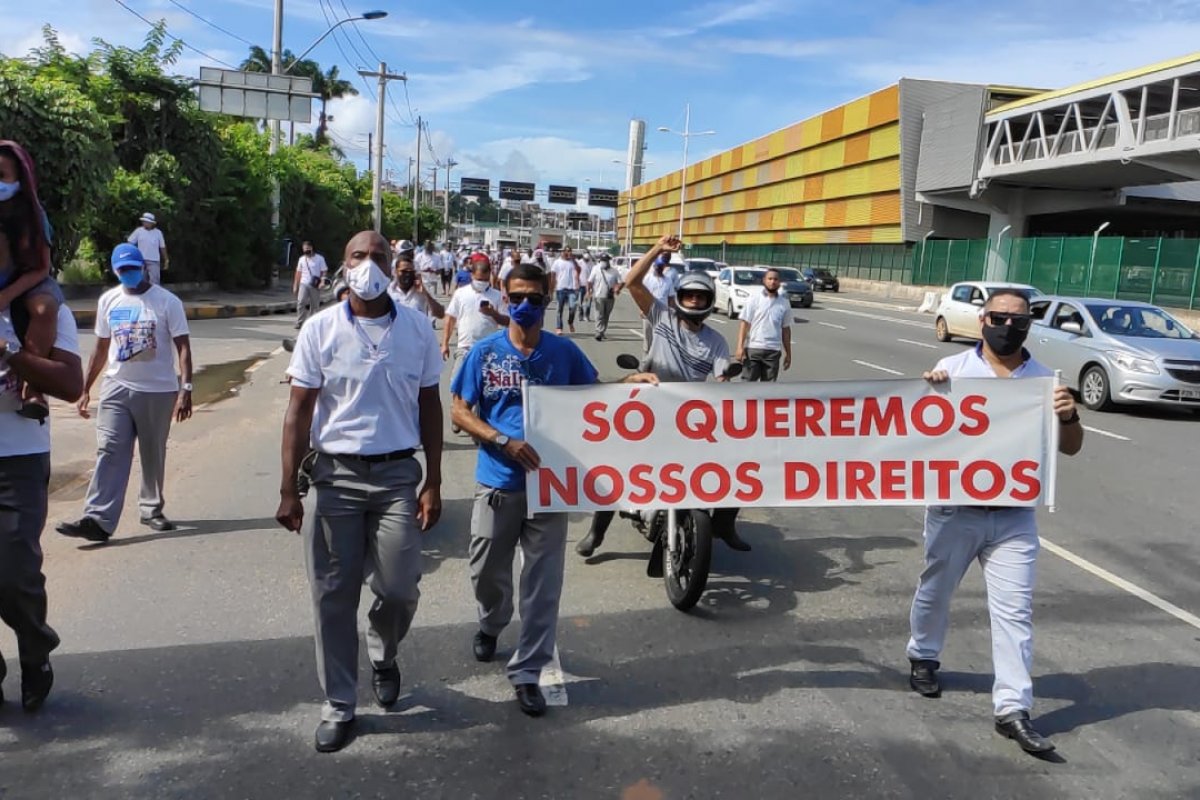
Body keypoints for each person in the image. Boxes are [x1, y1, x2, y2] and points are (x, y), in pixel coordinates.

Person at [450, 262, 655, 717]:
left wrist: (629, 386)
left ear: (547, 299)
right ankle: (491, 621)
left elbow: (594, 397)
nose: (525, 306)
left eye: (535, 299)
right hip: (498, 484)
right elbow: (460, 411)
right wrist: (501, 439)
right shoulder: (484, 354)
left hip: (551, 489)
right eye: (517, 297)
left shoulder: (563, 354)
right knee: (487, 572)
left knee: (543, 586)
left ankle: (528, 672)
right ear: (504, 295)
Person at [276, 231, 443, 753]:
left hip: (397, 476)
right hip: (335, 477)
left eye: (377, 257)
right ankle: (340, 704)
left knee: (399, 588)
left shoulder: (417, 328)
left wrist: (433, 479)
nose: (368, 264)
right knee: (333, 595)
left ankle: (383, 651)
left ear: (393, 264)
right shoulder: (320, 329)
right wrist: (289, 489)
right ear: (342, 265)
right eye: (358, 256)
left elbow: (430, 406)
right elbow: (299, 411)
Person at [906, 288, 1084, 756]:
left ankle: (1012, 709)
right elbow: (916, 433)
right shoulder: (954, 373)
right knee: (935, 590)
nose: (1008, 326)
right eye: (999, 317)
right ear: (983, 319)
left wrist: (1069, 415)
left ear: (1028, 325)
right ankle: (923, 655)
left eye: (1018, 320)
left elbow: (1071, 447)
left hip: (1013, 519)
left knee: (1015, 613)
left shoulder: (1046, 381)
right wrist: (929, 392)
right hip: (954, 510)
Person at [576, 234, 750, 558]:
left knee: (736, 461)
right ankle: (597, 531)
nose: (695, 301)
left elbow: (723, 377)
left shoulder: (716, 342)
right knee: (617, 465)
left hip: (692, 415)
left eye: (701, 297)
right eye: (690, 295)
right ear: (680, 296)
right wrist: (658, 248)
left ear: (709, 300)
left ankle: (725, 524)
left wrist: (729, 393)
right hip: (647, 406)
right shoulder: (662, 318)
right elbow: (631, 281)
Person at [56, 244, 193, 543]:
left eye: (134, 268)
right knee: (109, 449)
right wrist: (85, 390)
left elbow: (183, 346)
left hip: (158, 390)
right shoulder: (109, 300)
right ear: (116, 270)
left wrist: (186, 388)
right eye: (123, 270)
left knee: (152, 453)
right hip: (116, 386)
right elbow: (102, 348)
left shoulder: (166, 302)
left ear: (143, 267)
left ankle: (151, 508)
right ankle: (98, 519)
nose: (129, 274)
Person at [0, 239, 84, 712]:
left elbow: (71, 384)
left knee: (13, 576)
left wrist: (10, 352)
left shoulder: (40, 313)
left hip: (18, 458)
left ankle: (36, 652)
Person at [0, 140, 63, 422]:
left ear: (19, 179)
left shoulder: (35, 215)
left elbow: (41, 267)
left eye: (2, 176)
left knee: (44, 309)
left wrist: (8, 294)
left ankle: (34, 387)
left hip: (27, 280)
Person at [735, 268, 792, 382]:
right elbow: (745, 323)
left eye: (775, 279)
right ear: (764, 280)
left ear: (779, 282)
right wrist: (740, 347)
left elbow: (786, 329)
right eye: (770, 279)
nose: (772, 282)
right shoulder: (754, 299)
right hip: (754, 349)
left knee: (768, 390)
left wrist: (788, 354)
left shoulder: (784, 303)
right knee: (747, 385)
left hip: (773, 351)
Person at [639, 254, 678, 354]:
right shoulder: (647, 278)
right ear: (654, 266)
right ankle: (646, 362)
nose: (658, 268)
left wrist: (672, 313)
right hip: (648, 312)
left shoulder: (668, 281)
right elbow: (641, 295)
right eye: (657, 266)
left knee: (660, 339)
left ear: (663, 267)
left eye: (660, 267)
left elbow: (671, 298)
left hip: (663, 314)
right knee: (648, 340)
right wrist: (641, 309)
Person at [388, 253, 445, 322]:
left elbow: (441, 314)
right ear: (395, 272)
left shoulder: (422, 290)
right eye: (404, 271)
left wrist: (425, 294)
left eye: (411, 271)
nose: (407, 274)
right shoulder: (388, 291)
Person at [293, 241, 328, 329]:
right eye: (304, 249)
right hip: (303, 283)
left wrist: (322, 281)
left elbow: (324, 271)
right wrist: (295, 285)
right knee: (301, 302)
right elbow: (298, 273)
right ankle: (300, 322)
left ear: (311, 248)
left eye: (307, 249)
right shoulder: (301, 259)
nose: (306, 251)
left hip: (315, 284)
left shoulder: (320, 258)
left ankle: (312, 322)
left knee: (314, 305)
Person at [127, 212, 168, 285]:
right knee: (141, 280)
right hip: (141, 260)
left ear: (151, 223)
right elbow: (130, 242)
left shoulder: (158, 233)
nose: (144, 223)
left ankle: (154, 295)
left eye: (146, 222)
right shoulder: (138, 231)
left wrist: (166, 259)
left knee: (155, 281)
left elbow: (162, 247)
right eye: (144, 221)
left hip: (154, 260)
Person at [549, 247, 581, 334]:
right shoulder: (557, 262)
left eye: (570, 251)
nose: (568, 253)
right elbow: (552, 277)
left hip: (572, 289)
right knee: (559, 309)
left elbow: (579, 270)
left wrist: (574, 260)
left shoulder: (572, 262)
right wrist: (551, 291)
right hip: (560, 289)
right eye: (566, 251)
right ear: (562, 252)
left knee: (573, 308)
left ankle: (570, 322)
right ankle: (559, 327)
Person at [590, 254, 622, 341]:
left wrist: (617, 288)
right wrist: (588, 292)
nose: (604, 262)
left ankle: (602, 331)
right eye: (602, 260)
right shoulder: (596, 269)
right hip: (598, 296)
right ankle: (598, 332)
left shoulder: (614, 271)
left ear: (608, 261)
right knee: (599, 314)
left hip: (609, 296)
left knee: (606, 315)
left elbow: (620, 282)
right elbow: (589, 281)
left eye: (605, 260)